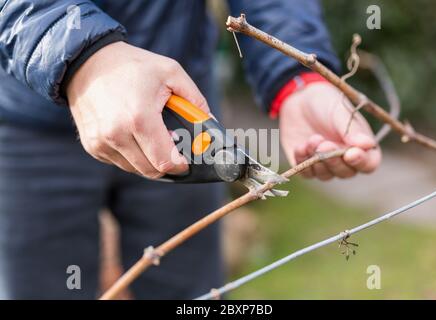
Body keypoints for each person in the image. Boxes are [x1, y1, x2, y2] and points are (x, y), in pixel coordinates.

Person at [0, 0, 381, 299]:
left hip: (180, 99)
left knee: (192, 298)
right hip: (23, 116)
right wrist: (82, 56)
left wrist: (295, 77)